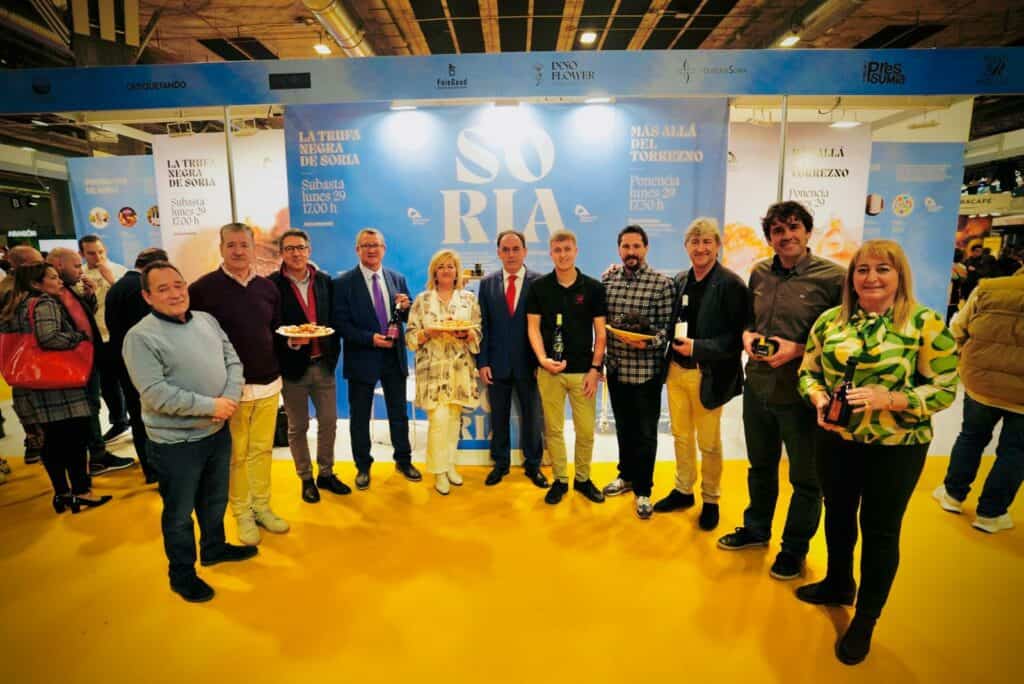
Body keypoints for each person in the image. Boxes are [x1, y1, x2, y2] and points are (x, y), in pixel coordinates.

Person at [797, 239, 958, 665]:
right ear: (852, 277)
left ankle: (866, 619)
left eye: (883, 269)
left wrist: (893, 399)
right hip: (836, 441)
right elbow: (808, 372)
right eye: (862, 269)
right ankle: (838, 583)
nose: (871, 278)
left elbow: (945, 389)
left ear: (899, 276)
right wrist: (817, 398)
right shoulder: (831, 321)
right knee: (837, 515)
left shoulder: (924, 324)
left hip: (897, 448)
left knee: (881, 531)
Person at [717, 201, 845, 583]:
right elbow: (749, 321)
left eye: (793, 227)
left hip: (802, 395)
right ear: (769, 237)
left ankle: (794, 550)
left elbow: (842, 340)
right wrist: (747, 336)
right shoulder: (759, 273)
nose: (786, 236)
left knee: (806, 479)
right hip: (758, 387)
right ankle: (756, 529)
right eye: (778, 230)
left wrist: (799, 349)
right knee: (760, 467)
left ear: (807, 231)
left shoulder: (834, 279)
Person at [123, 261, 257, 603]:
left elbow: (233, 361)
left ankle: (214, 548)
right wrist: (212, 406)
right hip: (176, 444)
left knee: (214, 500)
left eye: (178, 285)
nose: (174, 293)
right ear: (147, 297)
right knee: (179, 514)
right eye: (163, 289)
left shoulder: (206, 320)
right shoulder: (140, 337)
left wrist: (227, 400)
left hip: (216, 432)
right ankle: (181, 575)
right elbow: (155, 393)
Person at [189, 223, 288, 546]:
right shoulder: (202, 289)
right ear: (221, 248)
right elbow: (195, 340)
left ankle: (262, 506)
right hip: (229, 390)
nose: (238, 251)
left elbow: (275, 330)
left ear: (253, 248)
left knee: (262, 451)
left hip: (269, 383)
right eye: (231, 245)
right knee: (236, 456)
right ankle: (242, 513)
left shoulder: (267, 288)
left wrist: (292, 342)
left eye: (244, 244)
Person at [656, 218, 748, 530]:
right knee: (681, 436)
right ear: (686, 247)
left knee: (708, 443)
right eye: (694, 242)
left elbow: (736, 338)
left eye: (707, 241)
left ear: (717, 245)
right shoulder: (680, 280)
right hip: (676, 372)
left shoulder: (732, 284)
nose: (701, 248)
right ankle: (684, 490)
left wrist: (697, 347)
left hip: (707, 375)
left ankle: (711, 499)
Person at [0, 263, 112, 513]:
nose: (59, 281)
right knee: (75, 439)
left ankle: (62, 494)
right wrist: (79, 337)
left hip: (29, 384)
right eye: (52, 277)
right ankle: (82, 492)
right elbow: (49, 337)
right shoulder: (44, 303)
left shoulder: (13, 306)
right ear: (36, 283)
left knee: (50, 442)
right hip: (58, 384)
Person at [934, 262, 1023, 534]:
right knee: (1015, 451)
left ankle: (952, 494)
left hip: (980, 382)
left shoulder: (988, 289)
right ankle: (991, 514)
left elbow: (958, 328)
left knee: (971, 437)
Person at [333, 228, 421, 489]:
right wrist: (370, 338)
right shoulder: (343, 283)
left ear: (384, 249)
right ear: (357, 250)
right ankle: (363, 466)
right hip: (362, 357)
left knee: (398, 414)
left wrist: (407, 306)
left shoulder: (397, 279)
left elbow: (408, 317)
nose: (371, 249)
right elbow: (340, 324)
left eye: (376, 245)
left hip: (393, 356)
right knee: (360, 417)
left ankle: (403, 461)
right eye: (366, 245)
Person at [526, 230, 607, 506]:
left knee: (585, 431)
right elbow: (533, 328)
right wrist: (542, 359)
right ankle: (560, 480)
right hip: (550, 372)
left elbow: (601, 333)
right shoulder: (539, 288)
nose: (563, 255)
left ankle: (582, 479)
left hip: (584, 373)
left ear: (576, 251)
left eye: (567, 249)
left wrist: (595, 369)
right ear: (551, 253)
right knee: (554, 430)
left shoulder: (593, 288)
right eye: (558, 250)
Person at [268, 229, 349, 504]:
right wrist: (289, 342)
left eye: (300, 248)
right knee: (298, 426)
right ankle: (305, 478)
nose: (296, 253)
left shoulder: (325, 281)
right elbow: (270, 327)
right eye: (290, 248)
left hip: (323, 365)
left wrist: (332, 356)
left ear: (309, 250)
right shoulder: (271, 285)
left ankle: (326, 473)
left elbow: (334, 321)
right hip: (292, 368)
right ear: (282, 253)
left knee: (329, 422)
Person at [600, 225, 674, 519]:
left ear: (646, 248)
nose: (631, 252)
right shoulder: (608, 281)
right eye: (626, 246)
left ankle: (644, 490)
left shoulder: (661, 284)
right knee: (623, 428)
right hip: (617, 370)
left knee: (645, 433)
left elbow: (667, 329)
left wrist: (647, 342)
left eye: (636, 246)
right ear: (619, 249)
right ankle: (626, 476)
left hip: (647, 373)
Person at [46, 247, 135, 476]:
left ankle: (97, 454)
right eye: (76, 265)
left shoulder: (68, 288)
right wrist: (80, 338)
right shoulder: (49, 296)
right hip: (75, 362)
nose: (81, 269)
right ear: (58, 265)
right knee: (87, 408)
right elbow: (50, 335)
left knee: (92, 405)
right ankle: (96, 457)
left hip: (88, 357)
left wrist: (88, 297)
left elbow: (82, 316)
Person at [406, 249, 482, 495]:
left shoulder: (468, 299)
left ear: (457, 271)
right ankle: (438, 471)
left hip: (460, 369)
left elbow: (477, 331)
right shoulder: (422, 300)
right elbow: (410, 338)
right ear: (434, 272)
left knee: (453, 420)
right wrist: (428, 333)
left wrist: (468, 334)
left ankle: (449, 465)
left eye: (451, 266)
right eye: (441, 266)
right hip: (432, 369)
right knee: (438, 421)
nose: (446, 270)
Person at [476, 230, 548, 488]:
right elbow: (482, 326)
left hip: (530, 366)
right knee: (499, 417)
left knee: (532, 417)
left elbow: (545, 328)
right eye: (505, 249)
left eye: (516, 249)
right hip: (496, 365)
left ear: (525, 251)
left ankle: (533, 465)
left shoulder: (540, 283)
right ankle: (500, 464)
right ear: (498, 253)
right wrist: (483, 362)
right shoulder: (487, 284)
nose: (511, 254)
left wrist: (541, 361)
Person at [105, 247, 169, 483]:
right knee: (148, 415)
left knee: (137, 412)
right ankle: (155, 469)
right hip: (140, 363)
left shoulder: (119, 287)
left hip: (123, 360)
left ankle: (151, 469)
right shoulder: (138, 290)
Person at [79, 235, 130, 442]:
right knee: (107, 384)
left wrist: (111, 281)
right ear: (82, 254)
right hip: (95, 337)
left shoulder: (120, 271)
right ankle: (119, 421)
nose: (97, 256)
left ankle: (137, 421)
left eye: (100, 251)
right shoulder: (79, 275)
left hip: (120, 335)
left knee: (129, 381)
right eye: (91, 253)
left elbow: (129, 300)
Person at [0, 245, 46, 464]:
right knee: (29, 400)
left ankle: (35, 442)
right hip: (26, 355)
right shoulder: (15, 290)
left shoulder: (9, 286)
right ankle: (36, 442)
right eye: (37, 263)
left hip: (18, 357)